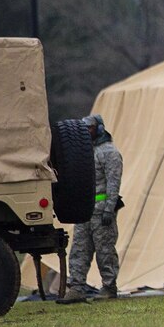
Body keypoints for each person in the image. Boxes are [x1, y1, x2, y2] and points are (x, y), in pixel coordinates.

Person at [63, 114, 124, 300]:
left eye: (89, 128)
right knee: (79, 250)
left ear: (98, 129)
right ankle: (76, 287)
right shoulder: (85, 153)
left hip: (101, 211)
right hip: (84, 210)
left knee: (105, 250)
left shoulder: (110, 152)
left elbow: (114, 182)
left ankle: (109, 286)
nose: (85, 132)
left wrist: (109, 208)